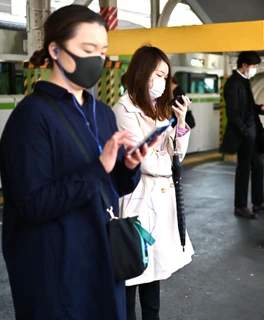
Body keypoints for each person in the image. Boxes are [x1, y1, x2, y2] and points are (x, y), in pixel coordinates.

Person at [0, 5, 156, 319]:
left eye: (103, 50)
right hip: (55, 270)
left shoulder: (102, 113)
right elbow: (32, 204)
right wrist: (98, 168)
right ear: (55, 50)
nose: (97, 59)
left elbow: (113, 188)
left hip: (101, 256)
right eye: (88, 49)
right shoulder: (31, 117)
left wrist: (128, 167)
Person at [113, 45, 194, 320]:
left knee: (153, 273)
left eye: (165, 76)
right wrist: (167, 159)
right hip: (138, 201)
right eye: (158, 74)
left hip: (159, 201)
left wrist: (181, 125)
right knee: (133, 270)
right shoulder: (123, 110)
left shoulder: (157, 109)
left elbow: (177, 156)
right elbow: (146, 161)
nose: (163, 82)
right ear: (143, 73)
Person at [220, 51, 264, 219]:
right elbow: (233, 113)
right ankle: (240, 206)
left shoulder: (245, 81)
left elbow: (247, 108)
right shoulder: (233, 83)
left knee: (258, 166)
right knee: (243, 170)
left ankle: (258, 203)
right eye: (253, 66)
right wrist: (245, 132)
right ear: (244, 65)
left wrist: (260, 108)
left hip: (252, 132)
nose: (255, 69)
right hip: (244, 135)